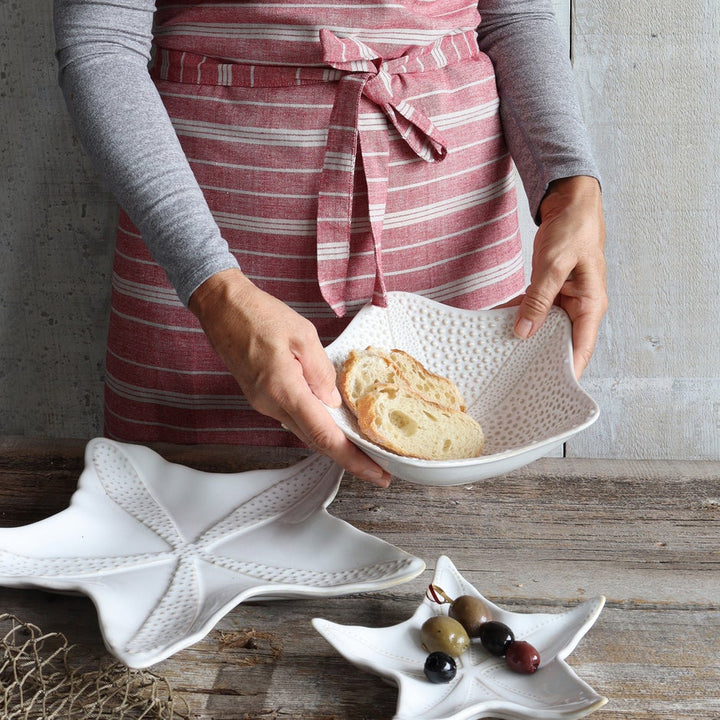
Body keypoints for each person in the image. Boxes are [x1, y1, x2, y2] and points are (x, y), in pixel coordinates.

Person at [53, 0, 607, 487]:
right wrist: (213, 291)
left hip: (458, 265)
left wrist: (567, 185)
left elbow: (514, 15)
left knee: (458, 563)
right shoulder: (207, 288)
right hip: (202, 271)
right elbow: (101, 39)